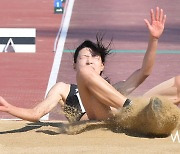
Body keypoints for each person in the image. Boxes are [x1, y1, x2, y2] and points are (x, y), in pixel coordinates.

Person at [0, 7, 166, 123]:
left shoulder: (115, 89)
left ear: (102, 66)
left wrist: (154, 40)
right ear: (74, 66)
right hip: (90, 123)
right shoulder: (63, 89)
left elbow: (144, 71)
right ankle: (131, 107)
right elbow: (36, 114)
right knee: (86, 74)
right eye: (84, 57)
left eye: (94, 57)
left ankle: (142, 113)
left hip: (114, 121)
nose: (88, 60)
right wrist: (9, 108)